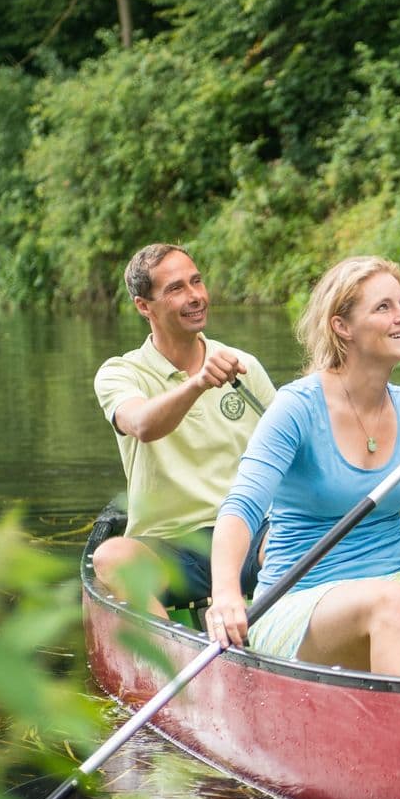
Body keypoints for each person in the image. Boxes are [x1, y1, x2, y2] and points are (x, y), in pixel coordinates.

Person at [205, 256, 400, 680]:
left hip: (398, 579)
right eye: (383, 307)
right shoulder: (296, 407)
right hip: (302, 597)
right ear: (342, 326)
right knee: (389, 603)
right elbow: (242, 507)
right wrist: (226, 594)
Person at [92, 243, 276, 617]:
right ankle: (168, 650)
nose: (195, 296)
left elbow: (291, 449)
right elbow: (142, 424)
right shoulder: (120, 373)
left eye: (197, 281)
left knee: (303, 538)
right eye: (176, 288)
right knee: (110, 556)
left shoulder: (243, 365)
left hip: (246, 530)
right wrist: (198, 383)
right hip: (168, 546)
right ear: (144, 306)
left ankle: (281, 638)